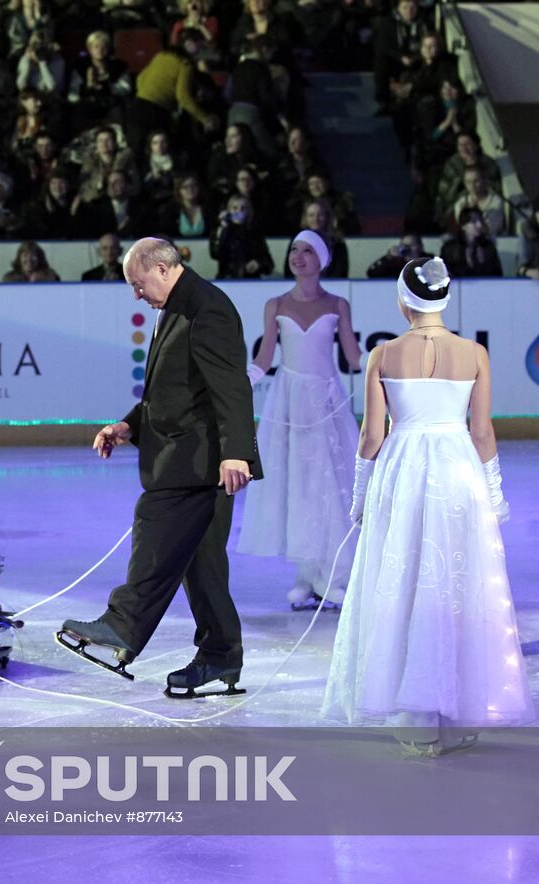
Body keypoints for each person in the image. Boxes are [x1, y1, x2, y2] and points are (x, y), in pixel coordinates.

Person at [322, 257, 534, 752]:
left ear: (404, 300)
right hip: (457, 470)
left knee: (405, 581)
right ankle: (455, 712)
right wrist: (496, 494)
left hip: (404, 471)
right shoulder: (474, 353)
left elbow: (373, 435)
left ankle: (416, 715)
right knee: (456, 586)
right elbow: (482, 432)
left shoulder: (383, 354)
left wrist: (359, 496)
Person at [60, 238, 261, 697]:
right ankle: (220, 657)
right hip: (186, 455)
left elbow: (231, 387)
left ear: (164, 269)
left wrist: (238, 452)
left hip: (199, 462)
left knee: (154, 527)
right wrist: (129, 425)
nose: (136, 294)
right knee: (202, 565)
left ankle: (122, 624)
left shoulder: (207, 308)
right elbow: (170, 392)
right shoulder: (175, 306)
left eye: (138, 283)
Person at [239, 231, 364, 610]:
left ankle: (331, 575)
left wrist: (392, 363)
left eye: (307, 250)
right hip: (289, 406)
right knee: (299, 486)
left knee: (328, 484)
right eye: (294, 248)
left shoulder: (338, 304)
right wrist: (233, 385)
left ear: (322, 259)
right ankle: (307, 574)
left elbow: (355, 358)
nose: (298, 255)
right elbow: (263, 360)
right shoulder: (275, 304)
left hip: (326, 405)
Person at [440, 207, 503, 278]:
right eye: (474, 221)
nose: (479, 225)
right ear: (463, 225)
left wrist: (482, 264)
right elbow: (444, 276)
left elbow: (497, 276)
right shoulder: (449, 248)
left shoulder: (488, 247)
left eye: (480, 221)